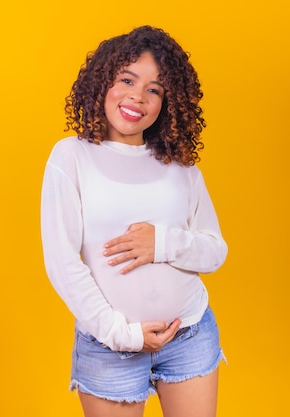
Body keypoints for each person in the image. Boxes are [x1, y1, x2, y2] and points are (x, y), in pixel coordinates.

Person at [40, 26, 228, 417]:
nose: (137, 97)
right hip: (110, 345)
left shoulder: (181, 168)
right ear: (103, 81)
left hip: (189, 333)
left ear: (167, 102)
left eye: (155, 89)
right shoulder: (71, 157)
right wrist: (120, 333)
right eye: (127, 79)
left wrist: (160, 242)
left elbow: (214, 251)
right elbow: (61, 262)